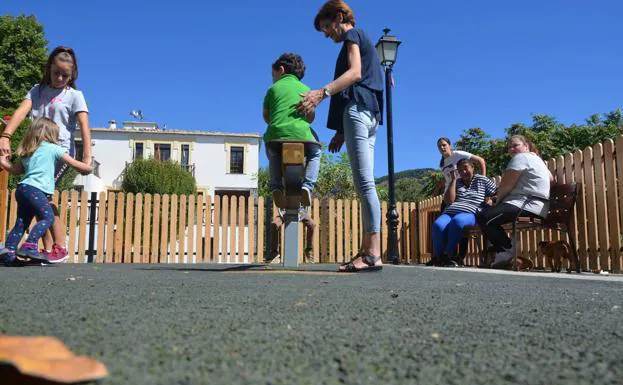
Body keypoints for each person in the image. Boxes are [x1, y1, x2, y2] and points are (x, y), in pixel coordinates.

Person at [297, 0, 383, 272]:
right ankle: (370, 252)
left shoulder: (352, 35)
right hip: (369, 115)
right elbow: (369, 77)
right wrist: (341, 132)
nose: (326, 34)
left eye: (325, 27)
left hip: (358, 112)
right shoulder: (363, 39)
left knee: (365, 185)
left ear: (337, 17)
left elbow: (355, 73)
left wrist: (321, 93)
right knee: (366, 184)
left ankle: (372, 254)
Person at [0, 46, 93, 263]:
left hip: (57, 152)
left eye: (65, 75)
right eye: (56, 73)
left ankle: (57, 247)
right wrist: (6, 136)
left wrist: (86, 157)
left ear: (73, 75)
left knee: (43, 196)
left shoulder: (75, 96)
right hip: (34, 150)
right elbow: (21, 112)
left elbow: (84, 126)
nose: (60, 78)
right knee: (38, 197)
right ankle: (45, 248)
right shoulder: (37, 90)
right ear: (49, 68)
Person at [0, 118, 92, 266]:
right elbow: (73, 163)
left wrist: (4, 162)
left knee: (22, 223)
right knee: (48, 218)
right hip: (35, 190)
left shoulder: (27, 151)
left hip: (22, 189)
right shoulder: (53, 148)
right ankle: (29, 245)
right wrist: (87, 168)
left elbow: (15, 170)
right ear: (51, 134)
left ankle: (9, 252)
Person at [476, 135, 553, 269]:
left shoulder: (521, 158)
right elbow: (551, 179)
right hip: (539, 208)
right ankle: (506, 251)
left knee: (483, 216)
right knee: (489, 216)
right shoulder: (538, 160)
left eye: (515, 145)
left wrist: (497, 202)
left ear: (526, 146)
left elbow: (506, 186)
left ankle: (506, 249)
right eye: (509, 147)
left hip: (525, 205)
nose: (512, 149)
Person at [263, 53, 322, 208]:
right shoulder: (306, 89)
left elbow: (266, 117)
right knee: (316, 152)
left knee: (274, 154)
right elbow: (310, 118)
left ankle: (275, 186)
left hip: (275, 137)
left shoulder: (272, 89)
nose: (272, 78)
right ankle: (307, 186)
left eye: (273, 74)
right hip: (302, 137)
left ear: (281, 70)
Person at [430, 159, 497, 266]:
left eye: (466, 168)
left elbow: (497, 192)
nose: (463, 172)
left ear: (472, 168)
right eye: (460, 170)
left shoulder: (481, 180)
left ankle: (447, 254)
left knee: (458, 221)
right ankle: (438, 257)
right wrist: (453, 180)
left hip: (471, 213)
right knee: (437, 225)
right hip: (450, 212)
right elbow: (449, 201)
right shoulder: (458, 182)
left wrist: (492, 200)